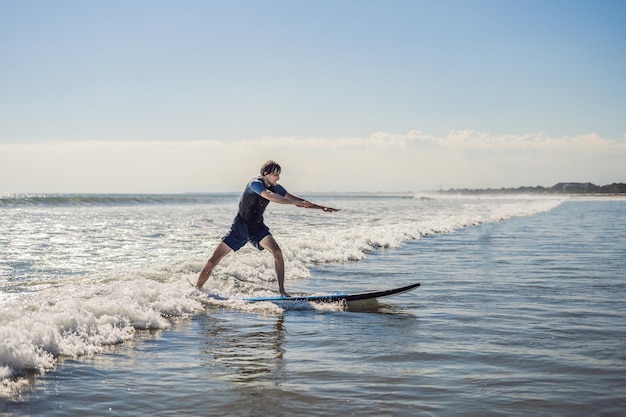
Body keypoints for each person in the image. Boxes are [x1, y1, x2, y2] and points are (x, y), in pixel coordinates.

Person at [196, 160, 339, 296]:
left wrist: (321, 207)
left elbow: (297, 200)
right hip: (240, 227)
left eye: (279, 174)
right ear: (266, 173)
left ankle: (282, 292)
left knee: (277, 251)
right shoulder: (255, 184)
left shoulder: (276, 187)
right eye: (275, 174)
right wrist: (293, 203)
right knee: (214, 259)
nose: (278, 178)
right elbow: (270, 196)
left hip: (258, 228)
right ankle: (197, 289)